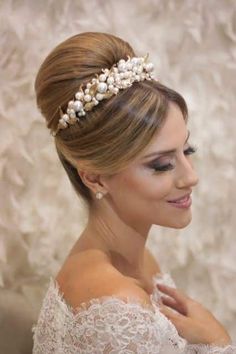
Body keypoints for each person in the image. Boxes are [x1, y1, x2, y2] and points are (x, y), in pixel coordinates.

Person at [32, 32, 235, 353]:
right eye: (161, 165)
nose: (191, 176)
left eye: (187, 150)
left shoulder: (137, 262)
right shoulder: (117, 306)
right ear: (95, 178)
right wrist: (219, 342)